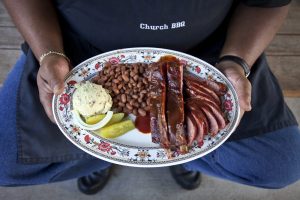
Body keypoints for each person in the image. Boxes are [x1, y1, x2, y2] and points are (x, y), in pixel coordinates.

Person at [1, 0, 300, 195]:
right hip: (74, 53)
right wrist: (49, 54)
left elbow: (266, 3)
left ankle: (180, 156)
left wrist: (237, 61)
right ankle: (103, 158)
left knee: (279, 165)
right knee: (6, 163)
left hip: (210, 59)